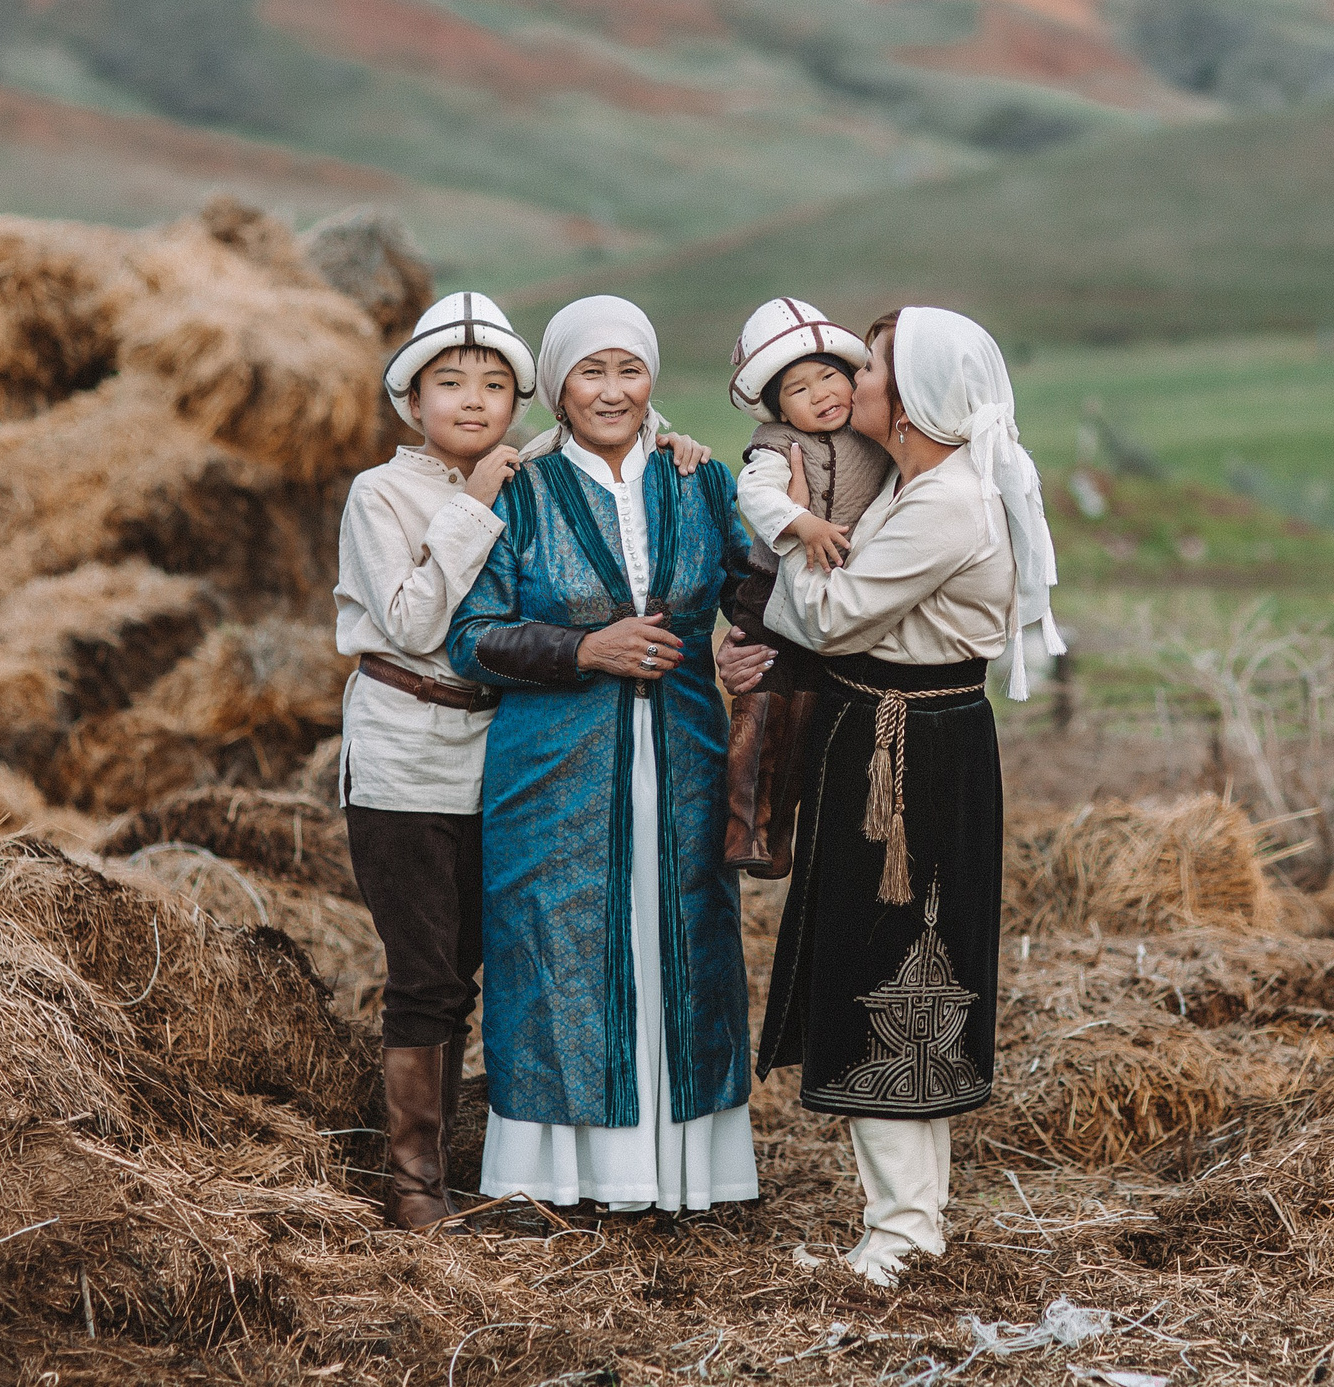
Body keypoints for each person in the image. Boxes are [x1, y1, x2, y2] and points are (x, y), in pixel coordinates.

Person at [334, 292, 710, 1230]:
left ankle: (494, 1152)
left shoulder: (530, 470)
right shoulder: (381, 494)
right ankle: (415, 1177)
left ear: (522, 401)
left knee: (510, 956)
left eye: (496, 385)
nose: (473, 401)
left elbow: (612, 424)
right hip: (408, 754)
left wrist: (678, 443)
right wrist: (471, 506)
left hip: (504, 757)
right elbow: (418, 620)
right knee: (428, 971)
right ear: (410, 399)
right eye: (449, 383)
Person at [724, 305, 1063, 1286]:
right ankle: (903, 1218)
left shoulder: (942, 505)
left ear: (906, 401)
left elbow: (829, 618)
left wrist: (789, 529)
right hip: (893, 735)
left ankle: (905, 1232)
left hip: (905, 752)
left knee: (895, 963)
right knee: (895, 958)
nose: (847, 381)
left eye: (865, 368)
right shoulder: (921, 484)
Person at [447, 295, 760, 1214]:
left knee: (685, 942)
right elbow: (473, 637)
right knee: (555, 946)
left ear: (653, 379)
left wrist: (747, 642)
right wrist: (586, 649)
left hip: (686, 759)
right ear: (556, 386)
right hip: (551, 774)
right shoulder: (520, 489)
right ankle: (563, 1179)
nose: (613, 390)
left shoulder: (699, 480)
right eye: (592, 371)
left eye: (630, 369)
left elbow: (754, 588)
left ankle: (683, 1174)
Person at [720, 298, 893, 878]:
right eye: (798, 389)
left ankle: (785, 833)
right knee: (764, 704)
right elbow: (757, 497)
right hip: (770, 596)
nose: (820, 394)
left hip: (832, 599)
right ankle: (747, 826)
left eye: (829, 376)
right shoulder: (774, 448)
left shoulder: (873, 442)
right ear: (777, 408)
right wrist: (801, 523)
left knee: (812, 717)